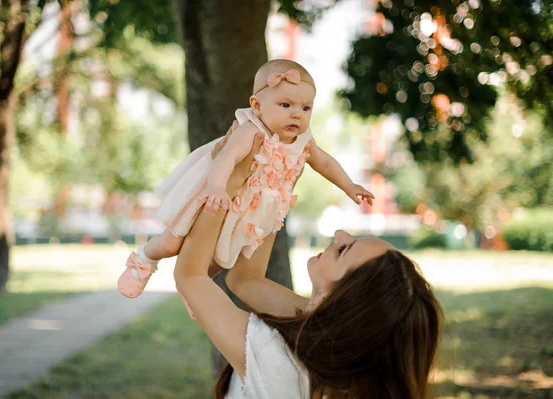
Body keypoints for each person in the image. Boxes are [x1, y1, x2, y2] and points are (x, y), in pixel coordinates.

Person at [173, 134, 444, 399]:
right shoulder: (328, 341)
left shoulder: (279, 359)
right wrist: (276, 184)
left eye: (343, 250)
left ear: (343, 302)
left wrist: (227, 182)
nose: (339, 234)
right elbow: (245, 281)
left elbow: (190, 275)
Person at [118, 59, 374, 298]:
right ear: (257, 105)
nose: (296, 114)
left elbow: (325, 162)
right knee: (174, 242)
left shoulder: (304, 141)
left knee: (222, 256)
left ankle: (197, 292)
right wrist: (216, 187)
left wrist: (348, 185)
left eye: (305, 108)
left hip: (247, 210)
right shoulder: (251, 130)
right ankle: (144, 259)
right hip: (215, 193)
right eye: (286, 105)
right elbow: (225, 158)